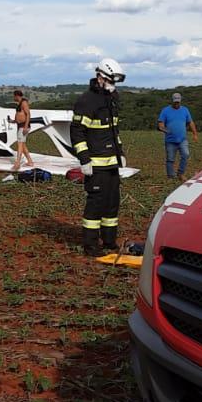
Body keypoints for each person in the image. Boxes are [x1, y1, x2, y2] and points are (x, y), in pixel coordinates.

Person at [71, 58, 126, 256]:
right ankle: (91, 246)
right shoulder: (87, 101)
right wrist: (84, 159)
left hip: (112, 163)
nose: (113, 86)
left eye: (115, 82)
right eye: (111, 81)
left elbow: (113, 130)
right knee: (96, 205)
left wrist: (120, 152)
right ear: (100, 77)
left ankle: (109, 243)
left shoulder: (110, 100)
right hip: (95, 164)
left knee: (112, 203)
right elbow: (77, 132)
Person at [157, 92, 199, 181]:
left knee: (186, 155)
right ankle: (171, 176)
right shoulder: (165, 110)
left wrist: (195, 134)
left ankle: (181, 173)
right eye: (175, 102)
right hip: (170, 140)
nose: (176, 104)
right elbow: (160, 124)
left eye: (178, 102)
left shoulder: (185, 110)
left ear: (180, 101)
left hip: (182, 139)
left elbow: (190, 122)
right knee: (170, 159)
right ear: (172, 101)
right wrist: (165, 130)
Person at [10, 89, 36, 172]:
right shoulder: (19, 104)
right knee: (23, 145)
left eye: (14, 96)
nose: (13, 98)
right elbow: (19, 115)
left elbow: (28, 114)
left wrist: (25, 127)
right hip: (19, 126)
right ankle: (30, 162)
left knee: (20, 144)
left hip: (23, 126)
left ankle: (17, 163)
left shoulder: (24, 102)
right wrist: (12, 121)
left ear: (17, 95)